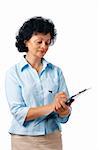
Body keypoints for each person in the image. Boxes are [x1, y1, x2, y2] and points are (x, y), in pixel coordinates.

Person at [5, 16, 71, 150]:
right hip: (23, 140)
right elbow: (19, 112)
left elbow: (64, 115)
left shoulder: (56, 72)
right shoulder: (13, 73)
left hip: (52, 138)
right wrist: (52, 106)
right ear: (26, 42)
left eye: (47, 42)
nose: (44, 46)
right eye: (39, 42)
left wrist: (64, 109)